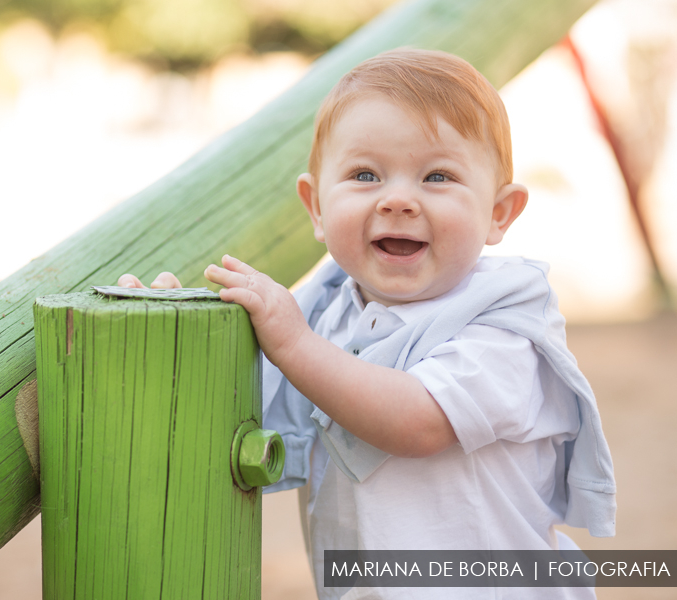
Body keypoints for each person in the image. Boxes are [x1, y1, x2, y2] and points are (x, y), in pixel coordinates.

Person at [119, 48, 615, 599]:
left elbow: (418, 422)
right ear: (316, 207)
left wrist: (293, 342)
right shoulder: (329, 309)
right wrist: (167, 332)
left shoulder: (504, 328)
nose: (398, 199)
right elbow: (236, 406)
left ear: (498, 213)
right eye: (364, 174)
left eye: (437, 175)